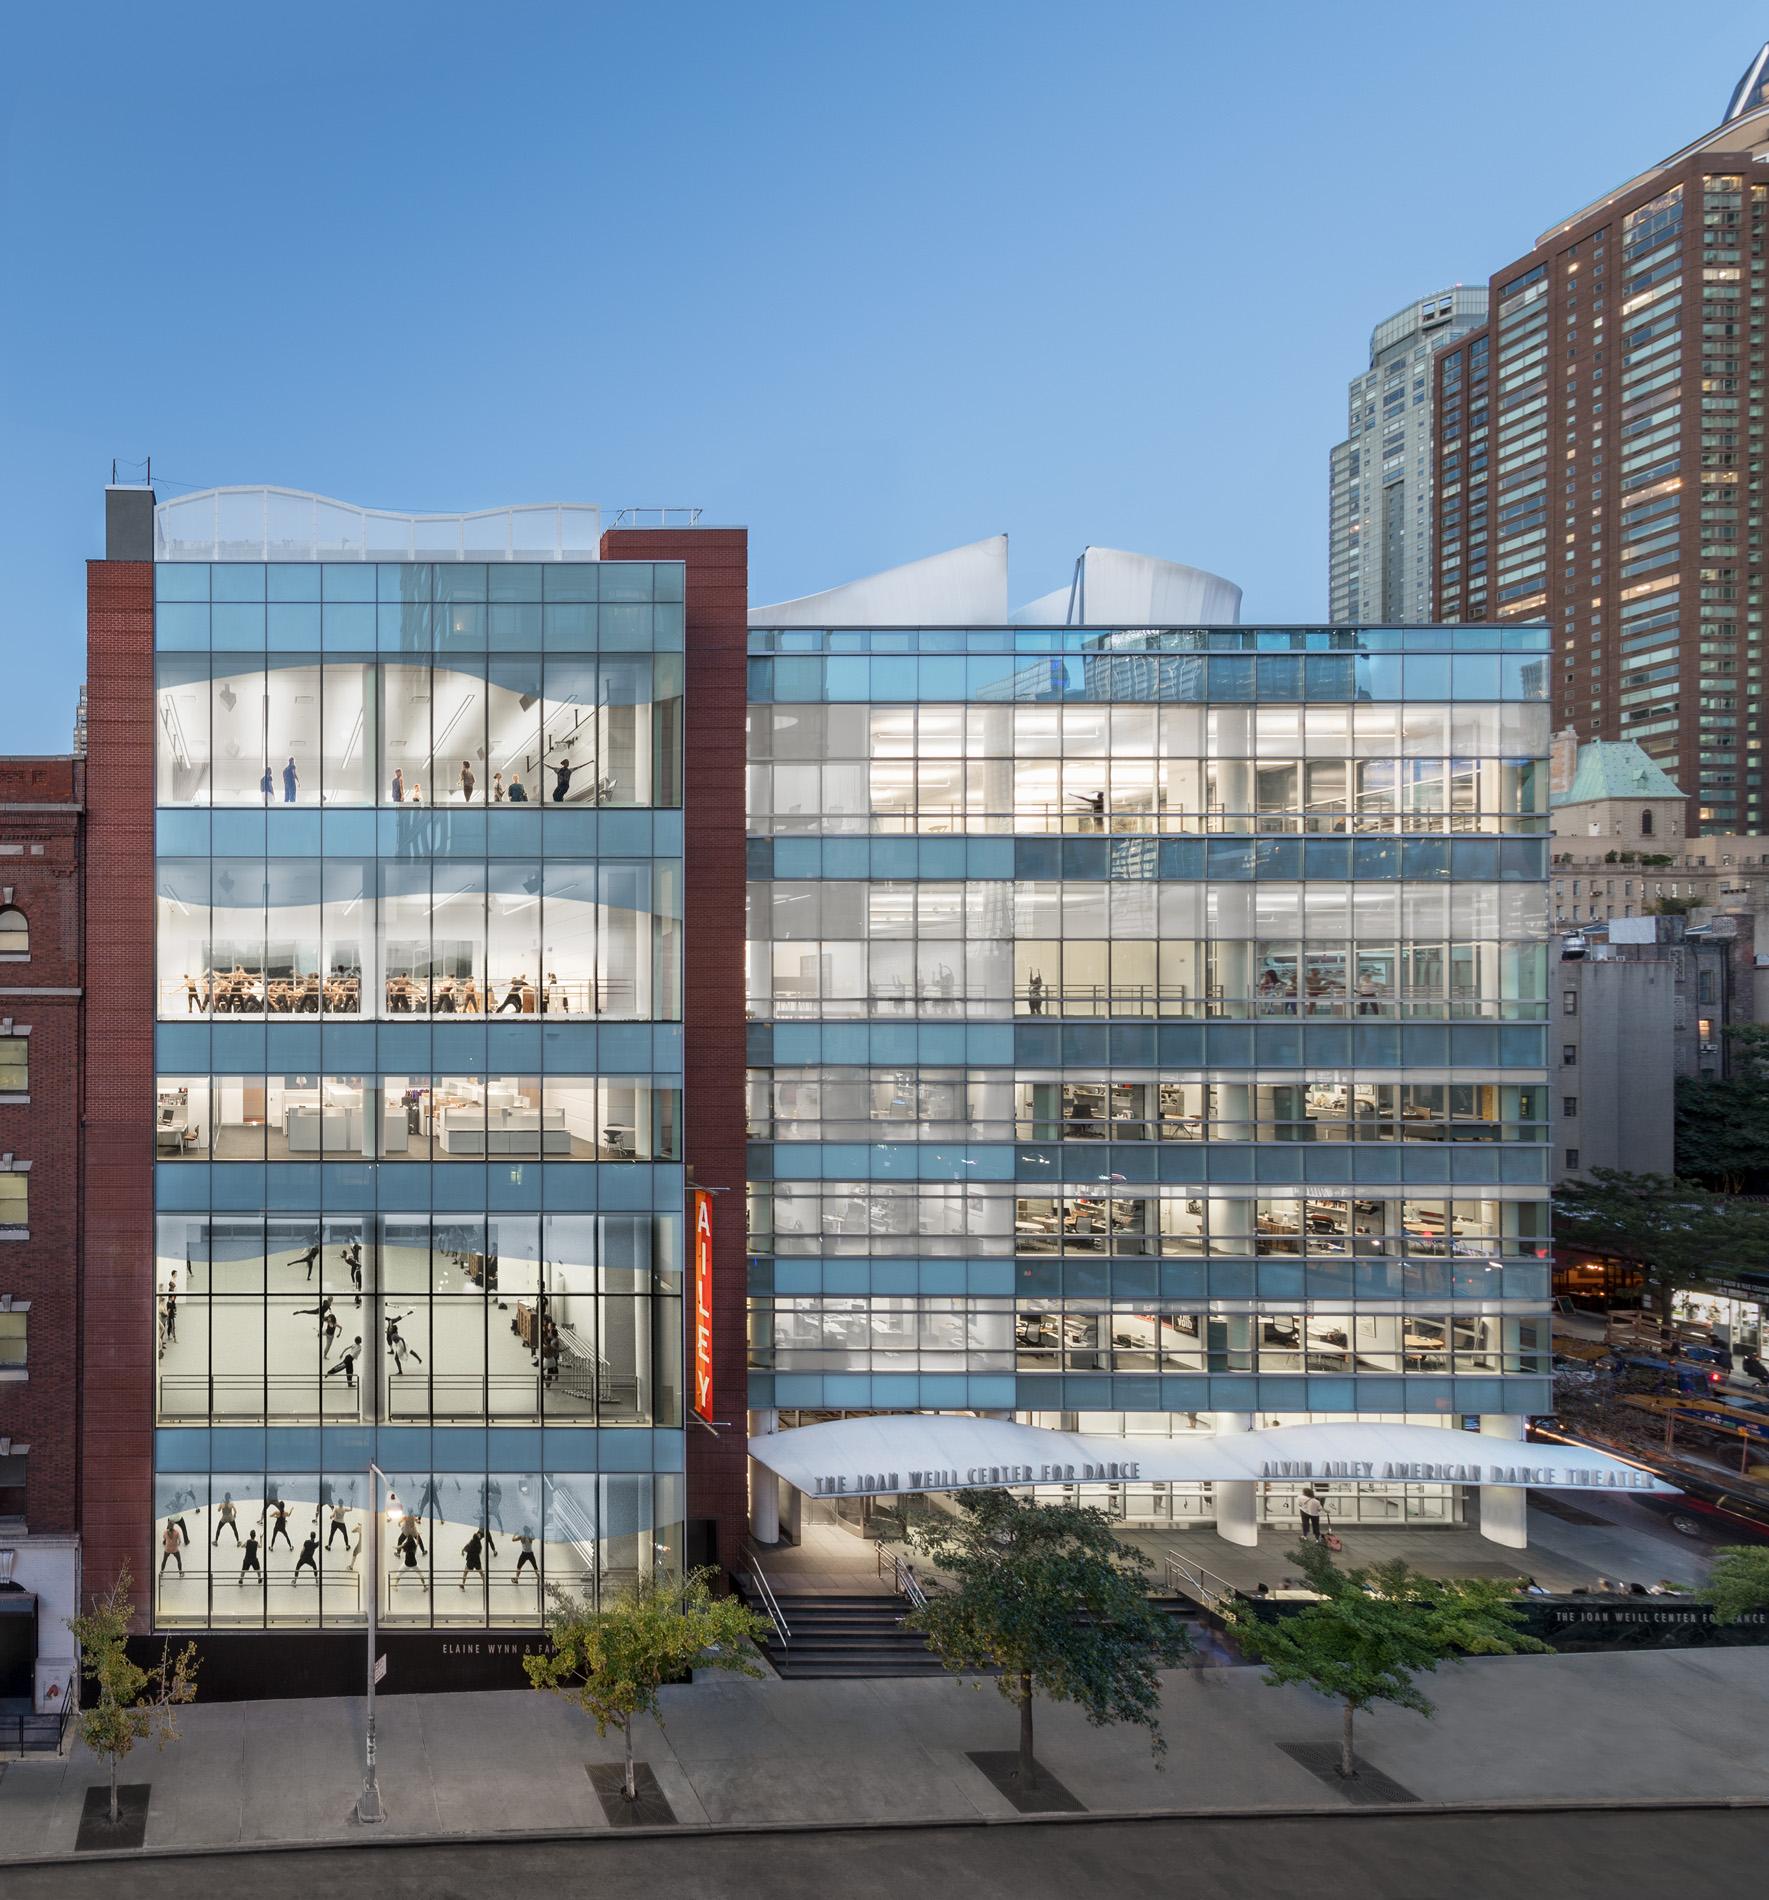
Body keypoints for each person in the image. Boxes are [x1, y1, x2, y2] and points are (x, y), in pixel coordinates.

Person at [394, 1521, 427, 1592]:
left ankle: (395, 1586)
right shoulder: (414, 1547)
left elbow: (400, 1546)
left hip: (406, 1564)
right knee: (421, 1575)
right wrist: (417, 1535)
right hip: (414, 1564)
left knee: (398, 1574)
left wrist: (395, 1547)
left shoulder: (405, 1547)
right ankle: (425, 1586)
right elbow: (417, 1542)